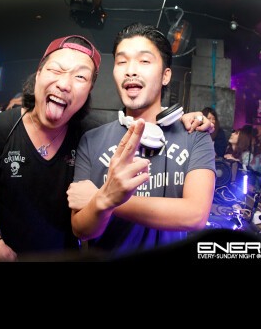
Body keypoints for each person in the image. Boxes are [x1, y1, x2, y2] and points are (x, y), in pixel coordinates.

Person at [0, 34, 213, 262]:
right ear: (38, 74)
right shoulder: (2, 128)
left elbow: (195, 214)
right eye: (56, 70)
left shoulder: (87, 132)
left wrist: (185, 121)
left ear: (88, 91)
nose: (64, 84)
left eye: (80, 77)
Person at [68, 23, 216, 257]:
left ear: (166, 75)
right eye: (121, 62)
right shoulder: (92, 140)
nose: (130, 70)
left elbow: (195, 215)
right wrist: (102, 202)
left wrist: (105, 199)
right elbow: (81, 229)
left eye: (144, 61)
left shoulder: (195, 134)